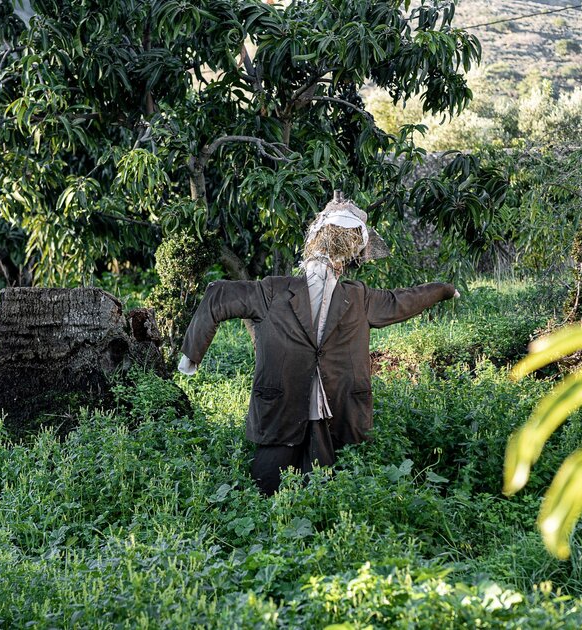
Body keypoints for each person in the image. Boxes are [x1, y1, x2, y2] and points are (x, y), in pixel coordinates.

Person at [177, 192, 459, 495]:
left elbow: (401, 301)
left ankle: (312, 514)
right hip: (282, 403)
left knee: (323, 483)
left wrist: (442, 290)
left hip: (332, 404)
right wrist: (192, 353)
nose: (325, 267)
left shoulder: (357, 297)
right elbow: (219, 295)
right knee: (266, 483)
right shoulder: (274, 291)